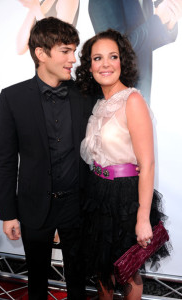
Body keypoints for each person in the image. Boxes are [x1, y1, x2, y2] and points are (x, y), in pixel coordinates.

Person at [0, 17, 94, 300]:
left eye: (74, 51)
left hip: (77, 207)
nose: (73, 59)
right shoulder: (13, 97)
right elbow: (6, 160)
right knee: (37, 282)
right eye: (66, 51)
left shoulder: (85, 95)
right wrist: (8, 213)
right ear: (41, 53)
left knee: (79, 280)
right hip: (33, 206)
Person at [76, 29, 170, 299]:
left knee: (128, 273)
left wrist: (143, 218)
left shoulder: (133, 100)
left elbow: (148, 163)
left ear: (122, 61)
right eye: (97, 58)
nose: (105, 64)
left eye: (112, 56)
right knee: (102, 271)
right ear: (90, 65)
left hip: (126, 196)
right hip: (97, 192)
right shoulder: (98, 104)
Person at [88, 0, 182, 103]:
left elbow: (145, 43)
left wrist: (170, 19)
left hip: (141, 96)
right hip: (117, 101)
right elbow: (117, 50)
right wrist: (158, 19)